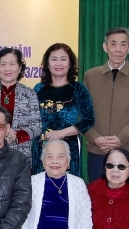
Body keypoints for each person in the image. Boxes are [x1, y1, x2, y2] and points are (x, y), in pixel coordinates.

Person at [84, 27, 129, 182]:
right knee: (97, 199)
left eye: (123, 44)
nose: (118, 49)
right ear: (105, 47)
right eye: (113, 44)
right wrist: (96, 138)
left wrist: (120, 138)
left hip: (127, 149)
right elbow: (83, 111)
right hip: (97, 150)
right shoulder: (91, 76)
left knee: (126, 201)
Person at [32, 43, 95, 177]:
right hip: (41, 147)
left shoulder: (78, 89)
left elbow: (88, 120)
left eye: (63, 59)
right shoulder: (38, 89)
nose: (58, 63)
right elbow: (31, 119)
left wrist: (61, 133)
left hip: (68, 148)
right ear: (47, 64)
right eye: (54, 59)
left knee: (67, 189)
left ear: (70, 63)